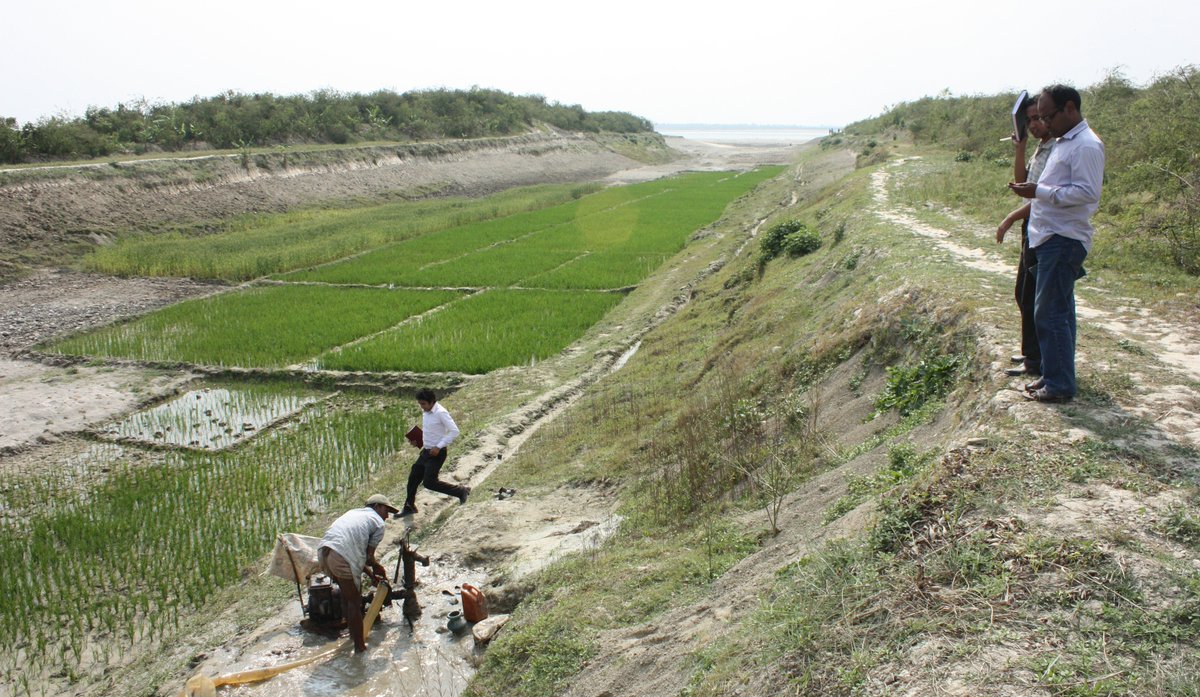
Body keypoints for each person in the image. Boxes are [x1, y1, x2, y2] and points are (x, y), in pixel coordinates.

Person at [1008, 84, 1105, 403]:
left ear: (1069, 109)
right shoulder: (1065, 142)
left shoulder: (1086, 146)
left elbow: (1088, 193)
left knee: (1049, 313)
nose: (1044, 124)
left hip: (1063, 239)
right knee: (1057, 312)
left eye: (1048, 116)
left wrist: (1040, 192)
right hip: (1048, 236)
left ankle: (1060, 384)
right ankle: (1053, 375)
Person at [997, 94, 1056, 379]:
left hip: (1043, 226)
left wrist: (1010, 217)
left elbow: (1041, 197)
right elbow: (1022, 184)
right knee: (1023, 293)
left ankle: (1035, 359)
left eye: (1038, 118)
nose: (1034, 124)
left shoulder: (1056, 149)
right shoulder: (1040, 148)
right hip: (1032, 226)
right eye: (1029, 119)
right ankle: (1031, 352)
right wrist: (1020, 149)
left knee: (1032, 295)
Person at [317, 493, 397, 652]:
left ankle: (353, 635)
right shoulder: (378, 523)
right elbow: (368, 557)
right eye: (386, 510)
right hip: (341, 555)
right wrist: (376, 567)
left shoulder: (353, 513)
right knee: (355, 601)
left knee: (347, 597)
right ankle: (360, 648)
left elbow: (357, 557)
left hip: (325, 552)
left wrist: (371, 573)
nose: (387, 516)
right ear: (376, 506)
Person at [400, 388, 470, 516]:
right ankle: (409, 506)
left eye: (423, 404)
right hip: (426, 451)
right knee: (413, 477)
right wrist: (418, 441)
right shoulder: (426, 412)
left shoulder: (441, 412)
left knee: (429, 483)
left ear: (432, 402)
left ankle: (461, 491)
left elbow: (454, 431)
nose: (422, 407)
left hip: (438, 453)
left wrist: (438, 447)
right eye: (420, 404)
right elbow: (430, 431)